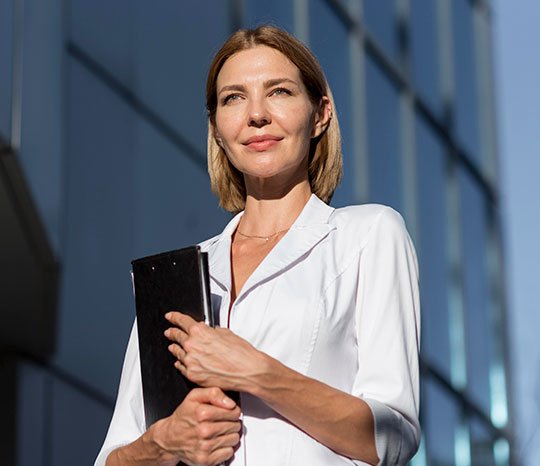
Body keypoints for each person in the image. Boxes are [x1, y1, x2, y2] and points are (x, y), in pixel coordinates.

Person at [95, 25, 420, 466]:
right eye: (233, 98)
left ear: (320, 112)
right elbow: (112, 457)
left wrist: (259, 373)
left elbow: (392, 437)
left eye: (279, 92)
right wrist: (164, 443)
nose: (256, 115)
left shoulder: (367, 236)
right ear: (217, 129)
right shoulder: (174, 278)